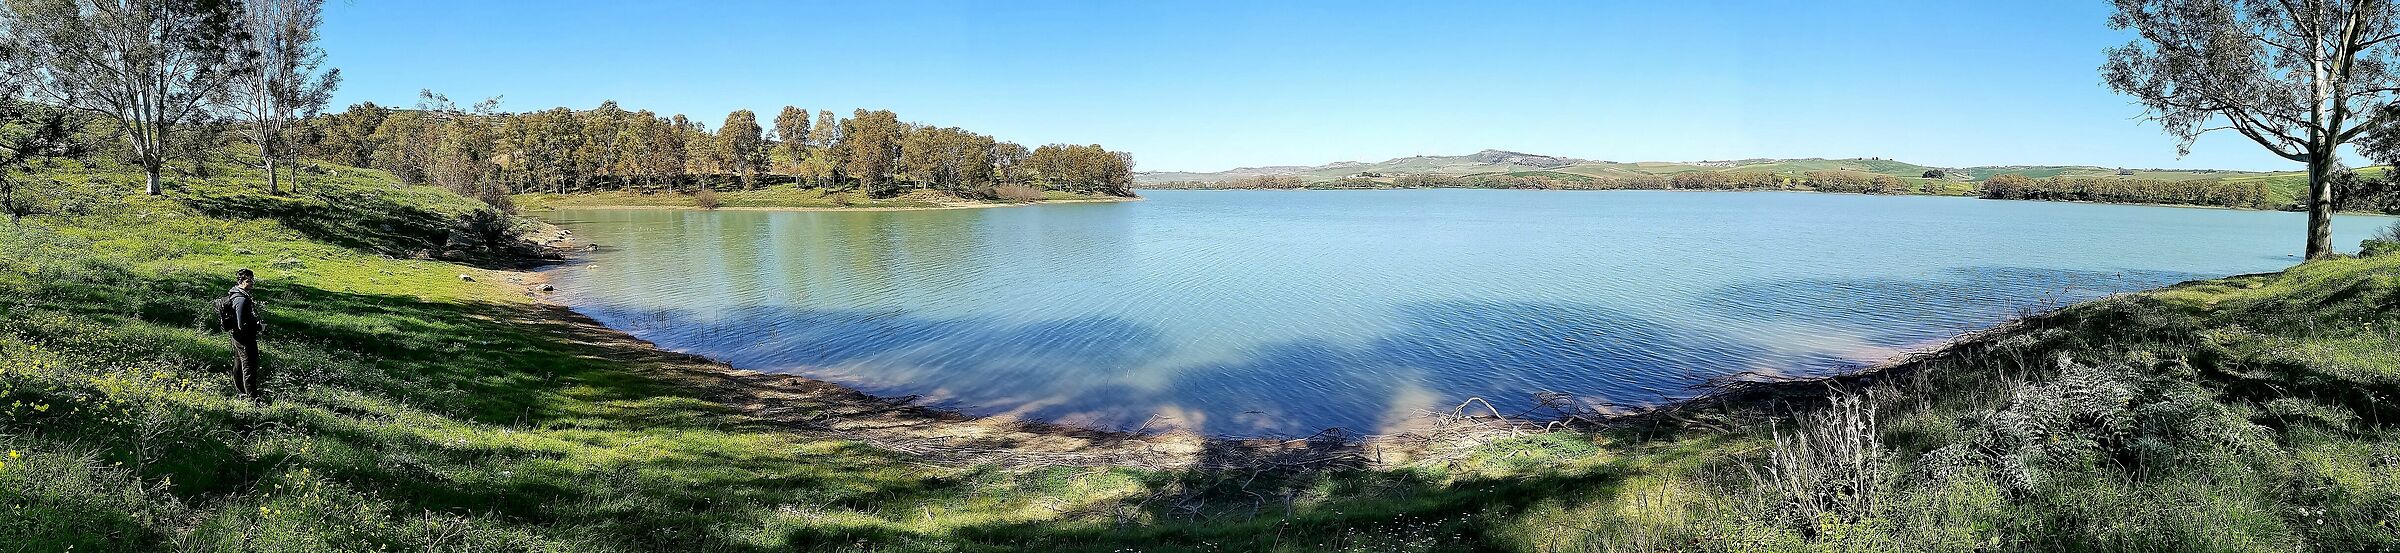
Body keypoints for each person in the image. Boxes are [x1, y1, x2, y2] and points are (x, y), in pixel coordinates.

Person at [226, 268, 265, 400]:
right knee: (249, 367)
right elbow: (241, 324)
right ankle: (252, 398)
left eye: (252, 280)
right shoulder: (241, 299)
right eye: (248, 280)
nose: (252, 283)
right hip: (245, 338)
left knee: (239, 364)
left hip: (239, 337)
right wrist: (258, 327)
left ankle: (241, 393)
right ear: (241, 282)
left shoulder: (238, 294)